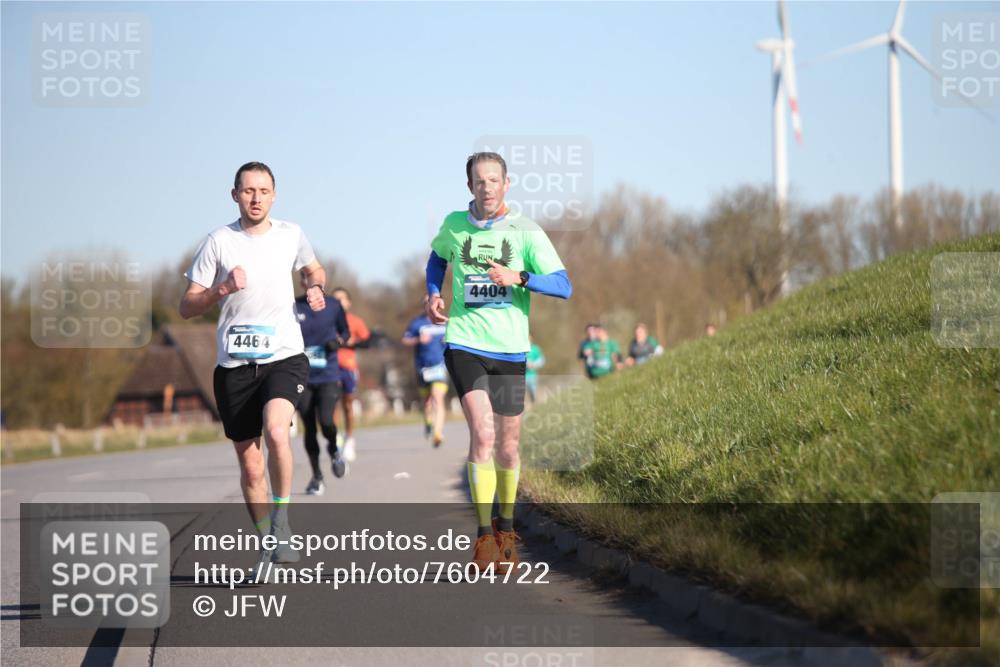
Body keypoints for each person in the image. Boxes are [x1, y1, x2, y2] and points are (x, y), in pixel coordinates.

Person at [425, 151, 572, 573]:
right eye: (479, 180)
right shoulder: (455, 225)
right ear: (469, 186)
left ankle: (506, 528)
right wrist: (434, 292)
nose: (486, 187)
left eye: (494, 180)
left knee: (508, 447)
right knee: (484, 435)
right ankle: (484, 537)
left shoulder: (525, 231)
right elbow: (437, 258)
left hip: (510, 349)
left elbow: (563, 285)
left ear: (507, 184)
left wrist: (519, 277)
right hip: (464, 343)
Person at [180, 161, 324, 569]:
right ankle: (268, 542)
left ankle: (282, 521)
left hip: (283, 355)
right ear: (235, 195)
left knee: (278, 431)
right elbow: (186, 305)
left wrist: (314, 287)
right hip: (234, 366)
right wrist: (221, 289)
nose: (256, 198)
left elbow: (313, 268)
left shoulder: (291, 234)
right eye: (248, 191)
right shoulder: (218, 242)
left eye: (263, 191)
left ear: (274, 195)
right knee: (250, 463)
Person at [295, 275, 351, 494]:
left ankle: (335, 450)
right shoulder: (294, 306)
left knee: (327, 420)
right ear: (301, 282)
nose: (308, 281)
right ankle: (317, 476)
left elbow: (345, 332)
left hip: (328, 374)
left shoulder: (334, 305)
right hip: (302, 376)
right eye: (304, 277)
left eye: (312, 277)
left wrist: (337, 342)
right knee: (309, 427)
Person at [331, 287, 371, 463]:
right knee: (332, 403)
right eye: (335, 299)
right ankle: (336, 437)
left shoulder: (355, 321)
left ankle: (349, 438)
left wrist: (353, 342)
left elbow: (367, 341)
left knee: (347, 404)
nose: (339, 302)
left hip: (348, 366)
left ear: (349, 302)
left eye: (342, 299)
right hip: (330, 366)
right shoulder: (328, 320)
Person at [402, 307, 448, 447]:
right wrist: (418, 340)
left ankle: (438, 433)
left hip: (440, 367)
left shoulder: (445, 322)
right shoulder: (417, 323)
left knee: (437, 397)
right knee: (427, 401)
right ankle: (428, 422)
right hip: (423, 368)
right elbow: (405, 340)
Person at [525, 336, 545, 403]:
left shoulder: (535, 349)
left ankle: (535, 405)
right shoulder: (521, 350)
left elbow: (542, 361)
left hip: (532, 376)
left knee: (533, 394)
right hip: (521, 376)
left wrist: (533, 364)